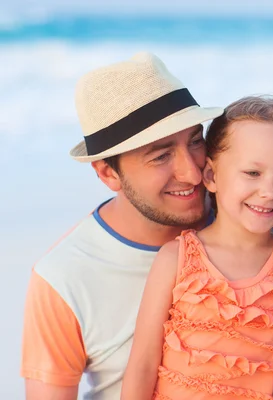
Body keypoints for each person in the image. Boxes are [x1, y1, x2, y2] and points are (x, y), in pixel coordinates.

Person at [21, 52, 224, 399]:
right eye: (161, 156)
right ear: (107, 173)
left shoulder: (253, 217)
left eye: (195, 140)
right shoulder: (64, 278)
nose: (192, 172)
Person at [121, 96, 273, 400]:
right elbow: (143, 363)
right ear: (212, 176)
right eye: (253, 173)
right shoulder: (176, 257)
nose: (269, 192)